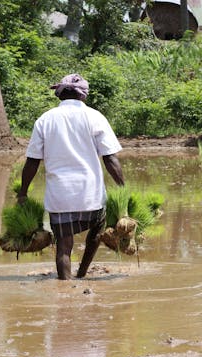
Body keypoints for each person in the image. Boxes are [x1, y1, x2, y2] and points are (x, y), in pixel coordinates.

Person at [16, 74, 124, 280]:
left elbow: (32, 161)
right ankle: (82, 273)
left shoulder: (45, 120)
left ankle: (65, 285)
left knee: (64, 247)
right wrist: (123, 189)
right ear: (83, 95)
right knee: (97, 231)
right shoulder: (95, 117)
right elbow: (110, 158)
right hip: (91, 196)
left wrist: (23, 193)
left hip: (60, 197)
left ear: (60, 94)